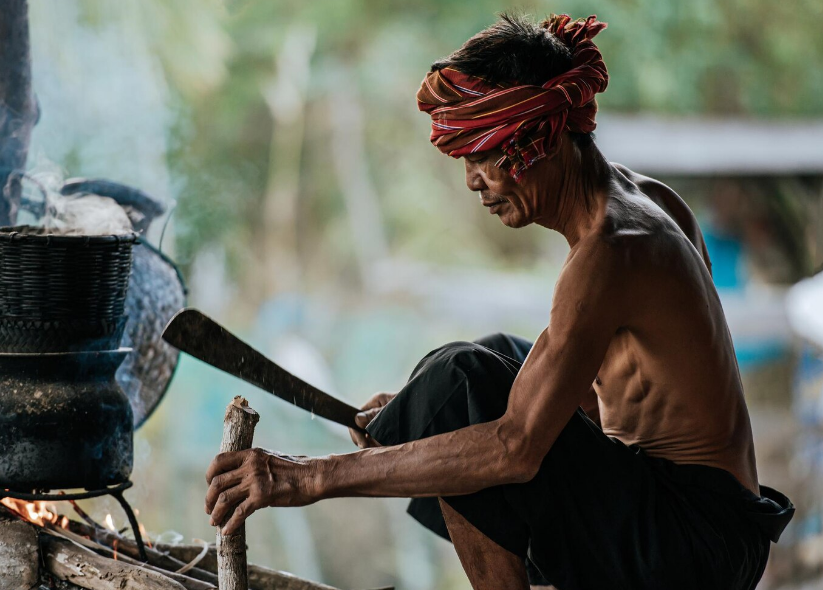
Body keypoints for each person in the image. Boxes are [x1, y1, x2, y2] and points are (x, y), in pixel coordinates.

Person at [204, 14, 794, 590]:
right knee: (477, 369)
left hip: (693, 542)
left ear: (548, 137)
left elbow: (517, 449)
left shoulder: (611, 253)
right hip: (706, 521)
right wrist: (417, 425)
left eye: (483, 155)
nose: (472, 181)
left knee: (456, 384)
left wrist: (307, 478)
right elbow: (595, 401)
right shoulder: (651, 203)